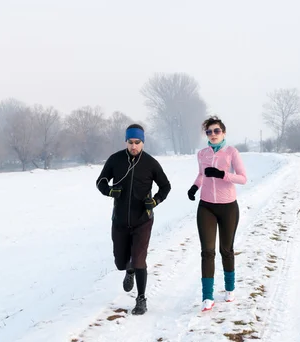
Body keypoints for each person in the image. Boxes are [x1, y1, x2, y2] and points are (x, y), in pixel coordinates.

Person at [96, 124, 171, 315]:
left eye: (138, 143)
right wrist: (110, 191)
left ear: (143, 143)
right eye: (130, 142)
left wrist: (155, 201)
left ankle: (141, 299)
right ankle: (127, 270)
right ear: (126, 142)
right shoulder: (116, 160)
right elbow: (101, 181)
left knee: (139, 260)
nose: (134, 146)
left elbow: (165, 186)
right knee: (121, 262)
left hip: (142, 220)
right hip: (120, 220)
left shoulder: (150, 163)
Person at [187, 116, 247, 312]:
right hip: (206, 206)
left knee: (226, 250)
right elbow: (201, 175)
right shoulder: (202, 154)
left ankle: (229, 289)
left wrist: (223, 175)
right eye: (209, 132)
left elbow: (243, 178)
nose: (213, 135)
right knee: (207, 251)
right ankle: (207, 297)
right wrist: (194, 187)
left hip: (228, 206)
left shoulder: (231, 152)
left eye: (216, 131)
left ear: (223, 133)